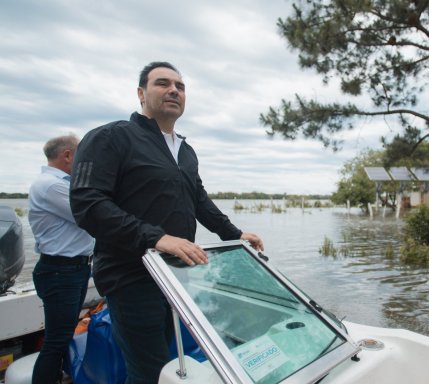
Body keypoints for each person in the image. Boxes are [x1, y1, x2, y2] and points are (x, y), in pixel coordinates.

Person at [70, 61, 264, 384]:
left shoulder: (185, 151)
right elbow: (87, 204)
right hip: (131, 276)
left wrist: (236, 233)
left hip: (176, 278)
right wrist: (156, 238)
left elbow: (198, 200)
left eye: (180, 86)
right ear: (141, 93)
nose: (174, 90)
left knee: (166, 367)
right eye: (163, 83)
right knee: (149, 372)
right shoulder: (111, 138)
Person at [28, 134, 95, 384]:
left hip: (73, 270)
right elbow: (89, 213)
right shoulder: (51, 185)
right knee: (56, 341)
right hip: (61, 272)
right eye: (82, 155)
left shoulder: (59, 184)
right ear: (68, 156)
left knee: (62, 336)